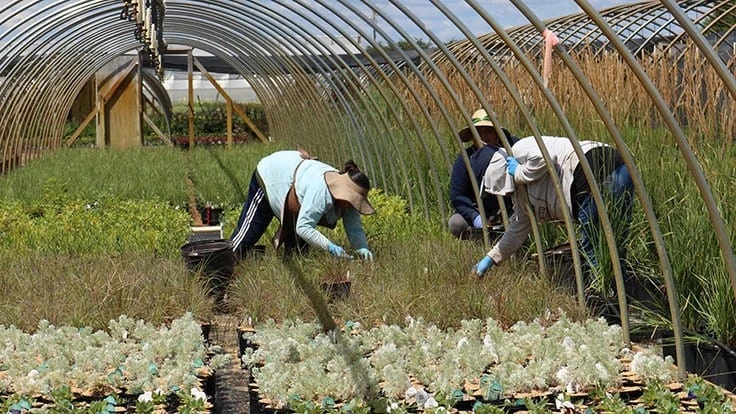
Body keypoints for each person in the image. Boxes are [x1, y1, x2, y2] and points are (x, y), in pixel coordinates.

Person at [472, 136, 634, 277]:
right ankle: (618, 297)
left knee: (596, 247)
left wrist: (520, 172)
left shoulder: (519, 150)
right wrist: (491, 258)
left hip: (593, 167)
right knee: (611, 246)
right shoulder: (521, 198)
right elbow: (517, 230)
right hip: (609, 175)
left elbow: (544, 156)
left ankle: (606, 303)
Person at [230, 149, 375, 262]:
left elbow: (354, 227)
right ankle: (220, 271)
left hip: (296, 197)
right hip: (271, 177)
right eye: (351, 201)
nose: (351, 207)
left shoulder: (347, 203)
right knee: (245, 239)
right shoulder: (321, 190)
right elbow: (303, 227)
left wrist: (361, 247)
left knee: (298, 255)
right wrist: (330, 247)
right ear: (342, 193)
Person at [449, 108, 518, 239]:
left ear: (498, 133)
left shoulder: (512, 148)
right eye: (478, 133)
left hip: (511, 206)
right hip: (480, 209)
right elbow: (457, 196)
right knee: (456, 223)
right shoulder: (466, 158)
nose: (484, 137)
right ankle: (479, 241)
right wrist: (476, 218)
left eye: (488, 131)